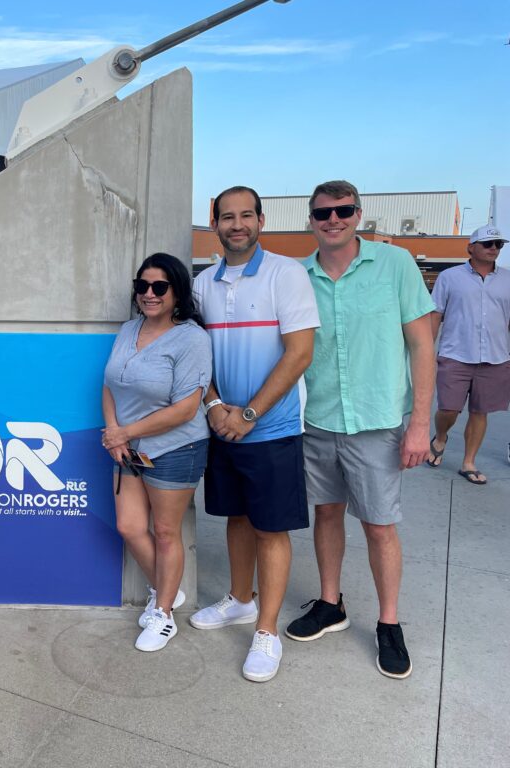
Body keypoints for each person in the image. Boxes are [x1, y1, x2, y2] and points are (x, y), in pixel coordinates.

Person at [288, 180, 435, 680]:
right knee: (326, 513)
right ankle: (331, 603)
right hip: (318, 418)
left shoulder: (394, 265)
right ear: (311, 218)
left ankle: (389, 623)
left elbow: (422, 347)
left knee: (378, 524)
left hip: (375, 421)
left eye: (343, 210)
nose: (334, 219)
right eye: (323, 212)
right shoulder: (298, 277)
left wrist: (420, 424)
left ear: (358, 214)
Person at [189, 186, 319, 683]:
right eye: (227, 217)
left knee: (270, 528)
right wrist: (217, 406)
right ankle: (241, 601)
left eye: (246, 215)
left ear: (261, 220)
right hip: (222, 425)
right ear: (214, 223)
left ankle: (266, 631)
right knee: (237, 519)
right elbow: (197, 355)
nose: (236, 224)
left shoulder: (287, 274)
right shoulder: (202, 285)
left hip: (273, 428)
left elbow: (299, 353)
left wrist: (249, 415)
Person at [101, 253, 212, 652]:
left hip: (176, 447)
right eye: (142, 286)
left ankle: (163, 615)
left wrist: (123, 433)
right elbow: (110, 384)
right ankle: (168, 590)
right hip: (129, 448)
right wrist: (116, 433)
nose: (149, 294)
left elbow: (185, 408)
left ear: (177, 292)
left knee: (166, 533)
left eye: (159, 287)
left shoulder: (193, 339)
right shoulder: (129, 329)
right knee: (130, 527)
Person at [426, 225, 510, 485]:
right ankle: (440, 437)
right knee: (448, 409)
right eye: (488, 244)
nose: (494, 248)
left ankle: (468, 462)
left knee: (480, 411)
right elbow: (436, 313)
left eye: (498, 244)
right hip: (456, 354)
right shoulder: (450, 277)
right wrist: (427, 350)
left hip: (496, 358)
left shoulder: (508, 279)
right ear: (470, 248)